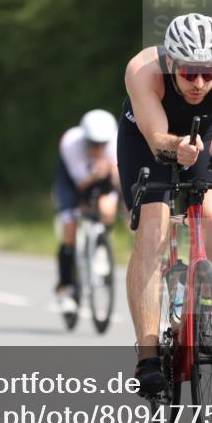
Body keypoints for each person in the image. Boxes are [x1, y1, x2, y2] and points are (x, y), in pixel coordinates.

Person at [118, 12, 212, 395]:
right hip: (147, 137)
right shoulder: (142, 70)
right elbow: (157, 136)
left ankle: (190, 320)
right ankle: (147, 356)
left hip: (206, 130)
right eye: (189, 72)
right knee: (153, 233)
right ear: (171, 62)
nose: (198, 82)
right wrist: (177, 147)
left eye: (207, 72)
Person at [52, 109, 121, 314]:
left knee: (108, 208)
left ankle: (101, 247)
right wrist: (95, 174)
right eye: (93, 143)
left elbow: (119, 184)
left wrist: (111, 171)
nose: (98, 148)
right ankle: (66, 287)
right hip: (72, 182)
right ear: (85, 139)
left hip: (103, 175)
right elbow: (80, 184)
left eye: (103, 144)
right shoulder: (71, 143)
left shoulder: (116, 143)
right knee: (69, 230)